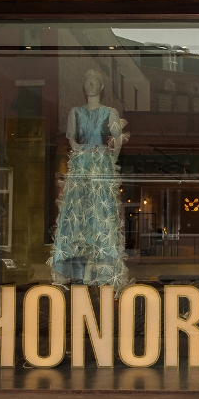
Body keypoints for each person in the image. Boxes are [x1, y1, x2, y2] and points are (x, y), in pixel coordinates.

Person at [48, 69, 130, 292]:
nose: (90, 85)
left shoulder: (110, 112)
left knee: (100, 216)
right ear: (84, 86)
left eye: (94, 82)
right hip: (82, 168)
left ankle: (98, 269)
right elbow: (73, 141)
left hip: (100, 166)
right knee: (78, 215)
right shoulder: (75, 113)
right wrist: (84, 156)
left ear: (101, 87)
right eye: (87, 82)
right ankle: (79, 268)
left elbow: (117, 141)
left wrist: (107, 160)